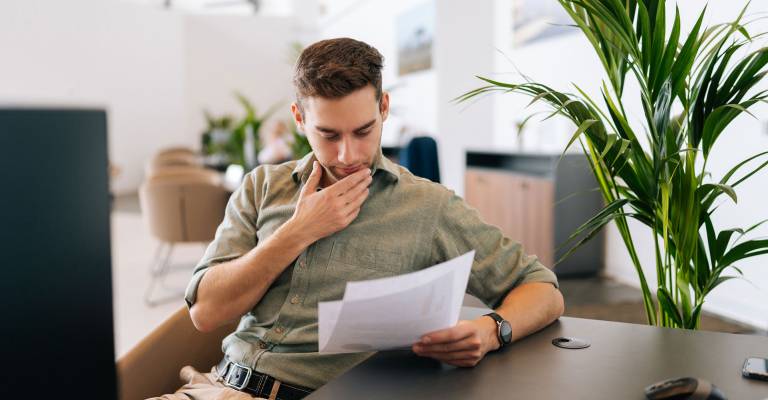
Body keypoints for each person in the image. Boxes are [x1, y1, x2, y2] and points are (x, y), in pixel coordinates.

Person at [152, 37, 564, 400]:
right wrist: (296, 233)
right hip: (218, 387)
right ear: (299, 118)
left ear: (384, 108)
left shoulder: (427, 204)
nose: (347, 155)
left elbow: (542, 288)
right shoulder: (262, 186)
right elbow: (205, 313)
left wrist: (491, 331)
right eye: (328, 135)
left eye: (363, 131)